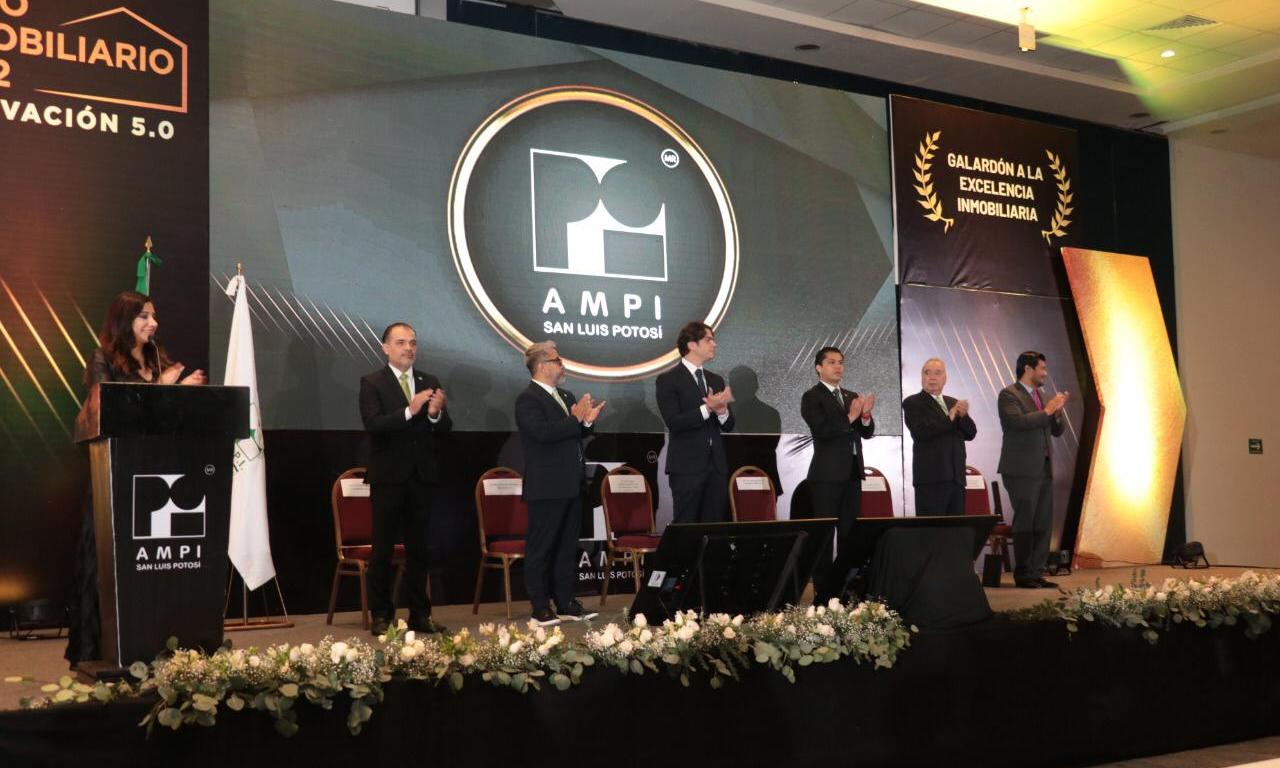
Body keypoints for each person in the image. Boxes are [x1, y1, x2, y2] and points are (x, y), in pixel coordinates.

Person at [67, 290, 206, 666]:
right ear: (123, 322)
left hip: (159, 474)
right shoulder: (102, 359)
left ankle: (157, 644)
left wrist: (184, 393)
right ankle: (101, 652)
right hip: (114, 478)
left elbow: (167, 417)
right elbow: (109, 406)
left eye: (154, 316)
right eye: (144, 316)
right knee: (109, 565)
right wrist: (165, 389)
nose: (153, 323)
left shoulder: (161, 360)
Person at [358, 322, 451, 636]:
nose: (408, 348)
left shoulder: (429, 381)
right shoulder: (372, 382)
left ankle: (420, 615)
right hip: (388, 478)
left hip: (421, 477)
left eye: (412, 342)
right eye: (400, 342)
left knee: (419, 550)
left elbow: (445, 427)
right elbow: (374, 424)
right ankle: (381, 615)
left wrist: (435, 414)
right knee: (383, 549)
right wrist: (410, 411)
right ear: (385, 347)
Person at [515, 341, 603, 626]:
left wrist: (586, 423)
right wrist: (575, 420)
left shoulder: (566, 395)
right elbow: (540, 433)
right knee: (541, 548)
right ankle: (540, 606)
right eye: (557, 361)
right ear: (542, 366)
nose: (562, 366)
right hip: (546, 486)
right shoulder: (528, 399)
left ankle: (565, 602)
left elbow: (573, 433)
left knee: (566, 547)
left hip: (571, 484)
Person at [800, 346, 875, 604]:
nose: (838, 366)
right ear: (819, 367)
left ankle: (844, 589)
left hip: (852, 474)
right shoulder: (812, 397)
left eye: (841, 362)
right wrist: (852, 415)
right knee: (823, 537)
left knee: (849, 535)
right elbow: (822, 430)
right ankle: (823, 593)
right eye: (831, 362)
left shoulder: (850, 395)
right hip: (826, 476)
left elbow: (866, 432)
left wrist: (865, 415)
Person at [997, 350, 1068, 589]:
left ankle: (1037, 571)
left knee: (1043, 523)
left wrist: (1057, 414)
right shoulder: (1009, 394)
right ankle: (1023, 574)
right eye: (1042, 368)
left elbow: (1057, 431)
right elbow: (1016, 423)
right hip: (1021, 470)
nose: (1045, 373)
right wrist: (1047, 411)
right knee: (1026, 521)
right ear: (1028, 369)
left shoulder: (1042, 396)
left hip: (1044, 468)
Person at [655, 322, 735, 524]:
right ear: (691, 344)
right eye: (708, 340)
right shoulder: (668, 379)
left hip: (716, 466)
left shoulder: (715, 380)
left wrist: (722, 411)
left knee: (714, 525)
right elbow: (674, 422)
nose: (714, 344)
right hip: (687, 467)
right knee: (687, 526)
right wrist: (708, 409)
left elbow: (728, 425)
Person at [902, 358, 977, 516]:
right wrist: (950, 418)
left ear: (945, 379)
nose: (932, 377)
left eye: (937, 373)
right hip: (931, 479)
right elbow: (921, 432)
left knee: (956, 529)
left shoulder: (953, 402)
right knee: (932, 529)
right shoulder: (912, 402)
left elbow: (971, 433)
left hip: (956, 478)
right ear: (922, 377)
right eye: (927, 373)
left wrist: (963, 416)